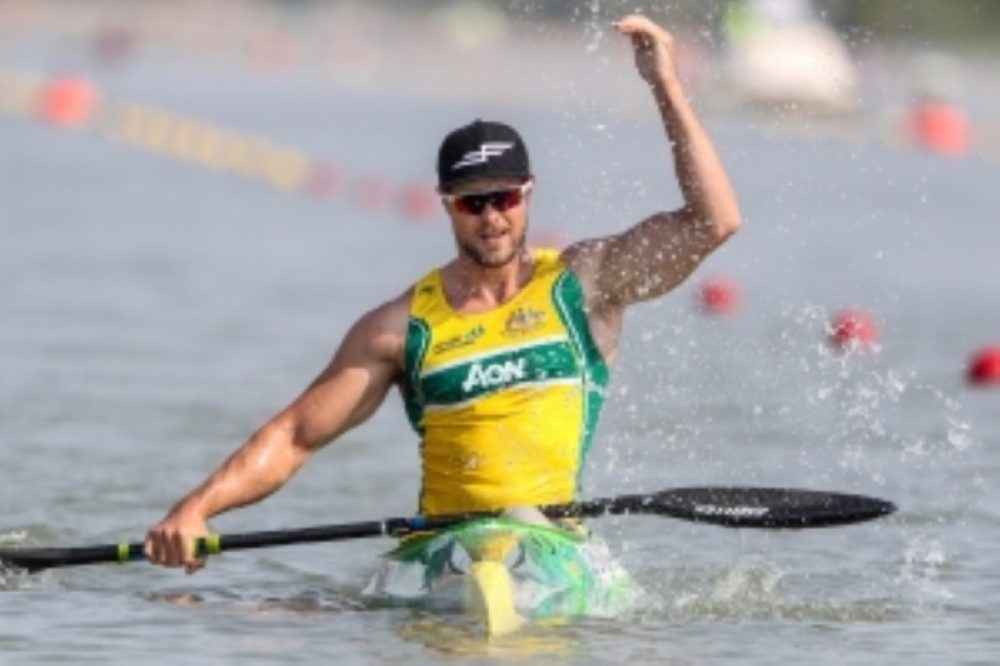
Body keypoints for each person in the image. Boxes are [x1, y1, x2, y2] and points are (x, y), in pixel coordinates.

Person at [144, 14, 742, 572]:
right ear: (447, 206)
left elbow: (713, 223)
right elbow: (295, 435)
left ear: (528, 195)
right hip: (443, 558)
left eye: (504, 198)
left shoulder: (585, 284)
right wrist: (196, 510)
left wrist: (664, 84)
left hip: (553, 553)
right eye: (472, 202)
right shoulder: (399, 328)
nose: (492, 218)